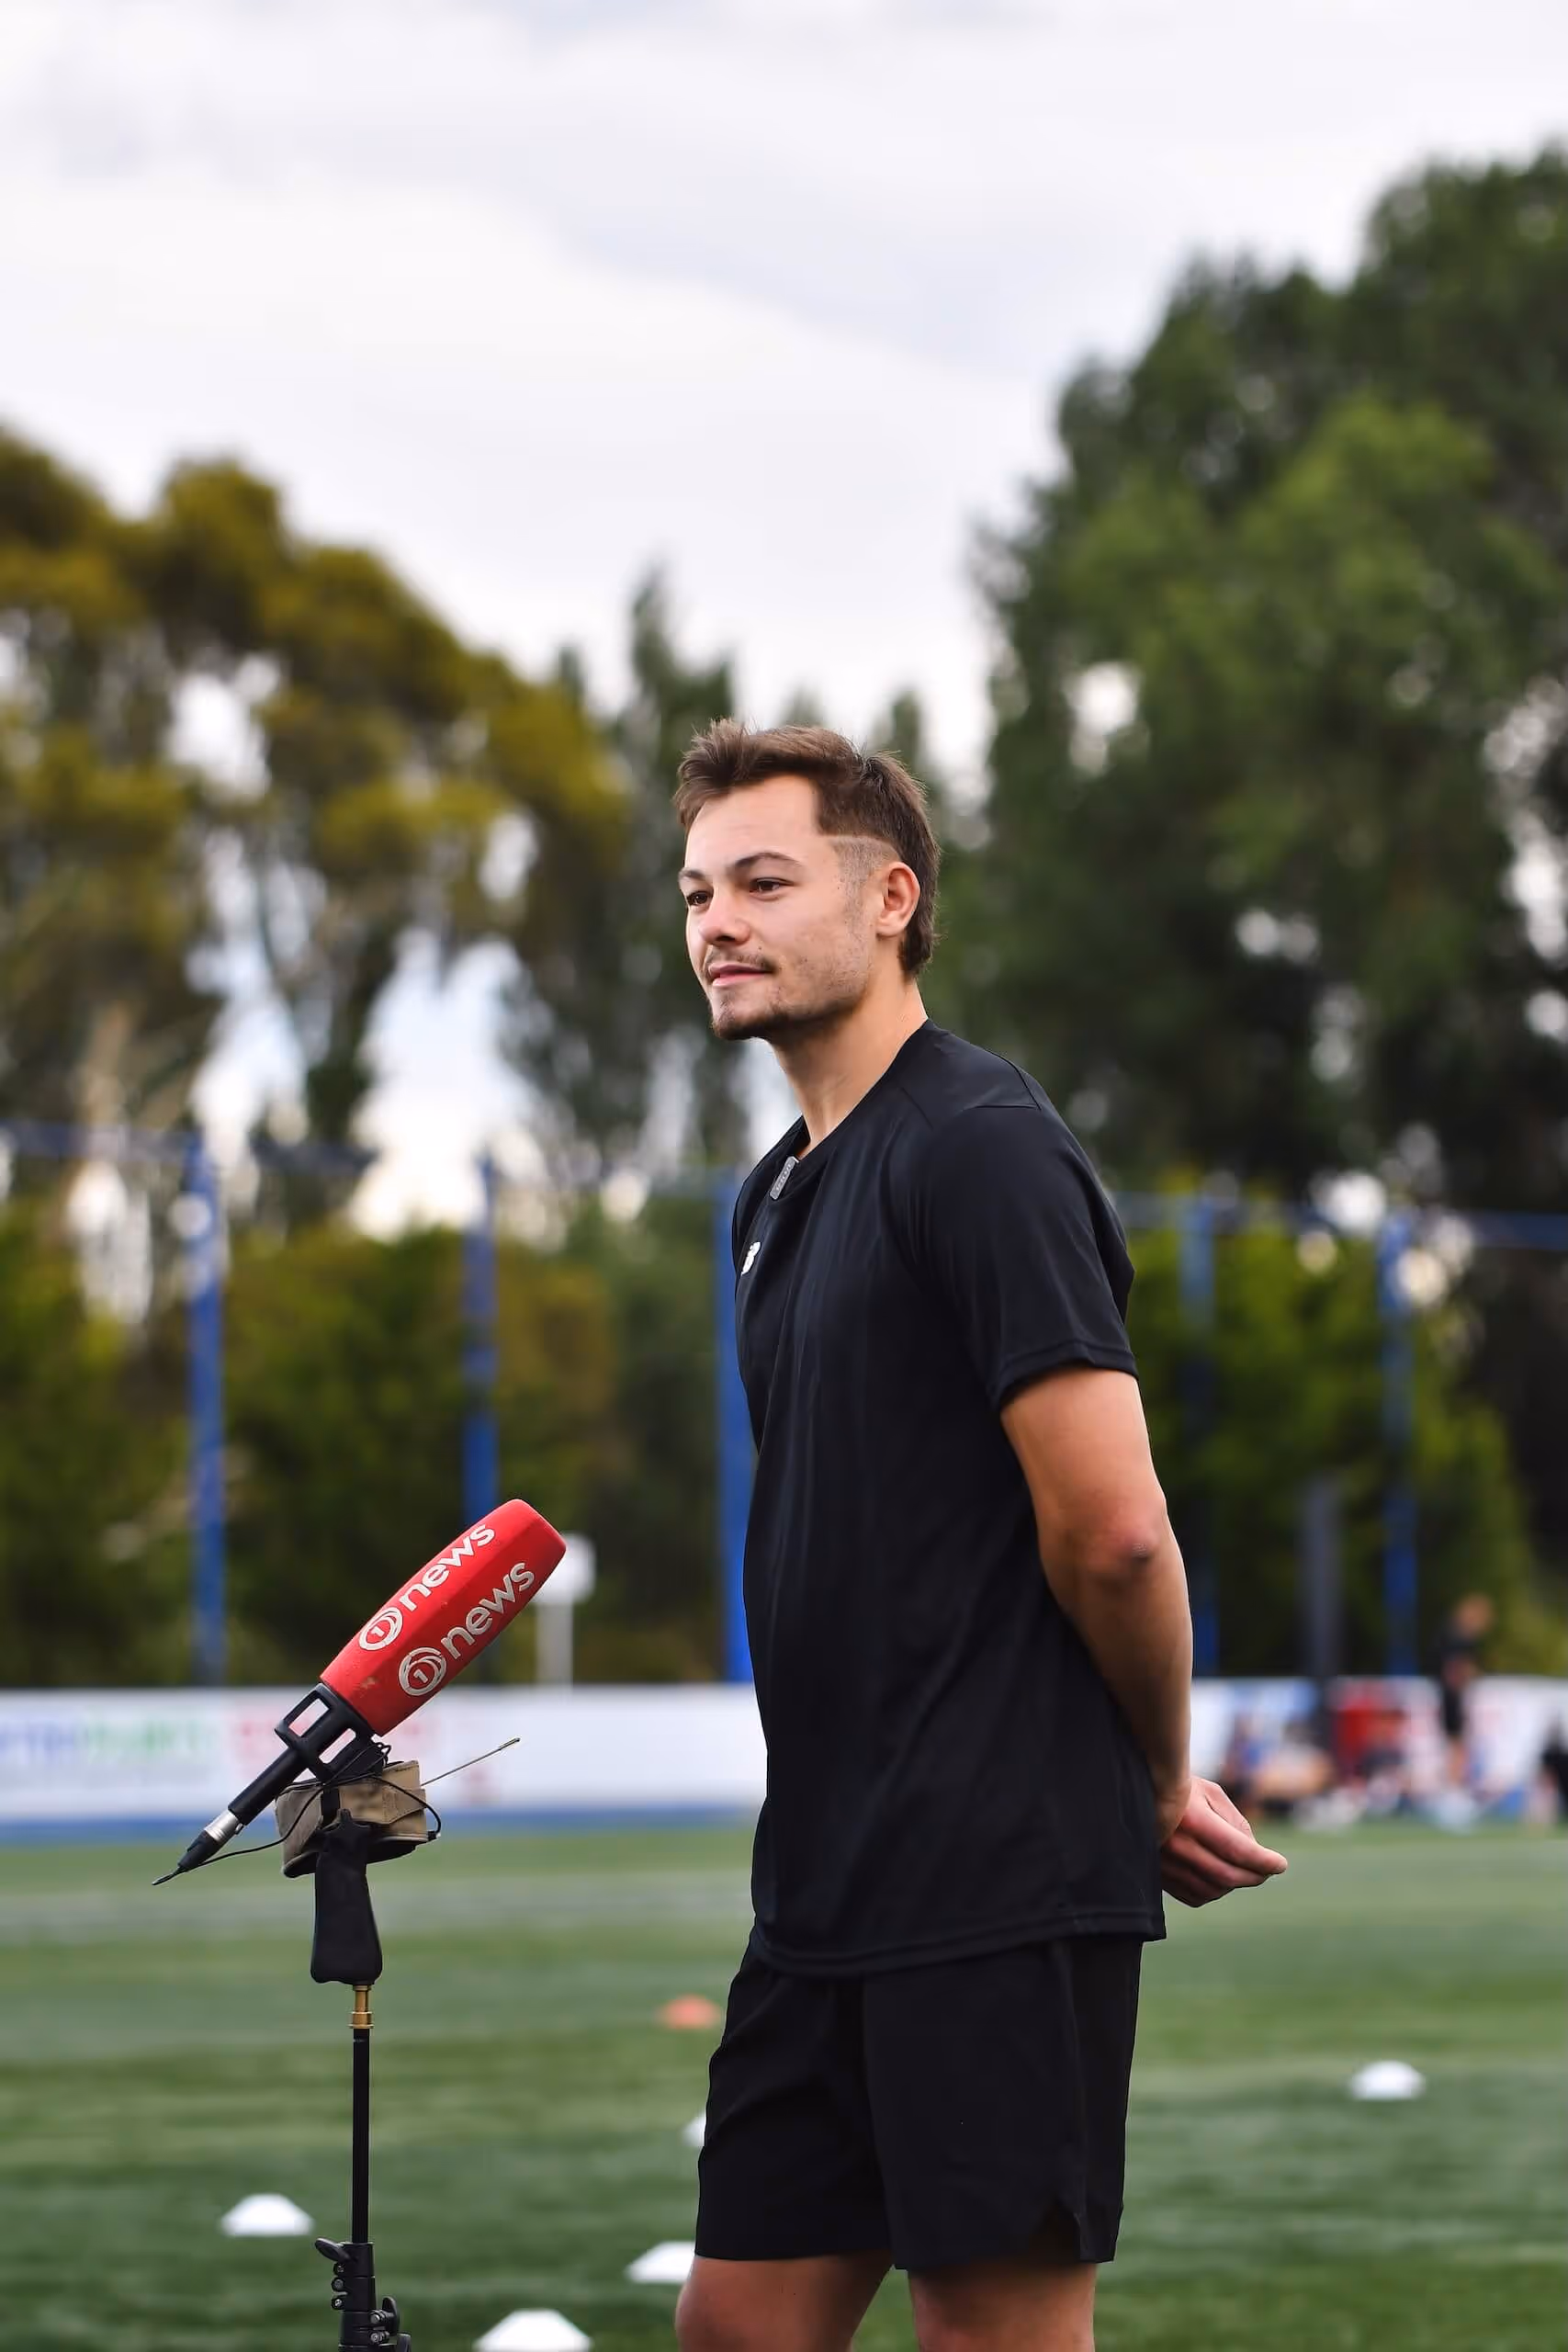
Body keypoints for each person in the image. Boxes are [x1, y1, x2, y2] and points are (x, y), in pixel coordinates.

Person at [670, 722, 1286, 2352]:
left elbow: (1116, 1535)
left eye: (763, 880)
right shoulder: (773, 1197)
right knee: (736, 2326)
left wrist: (1149, 1779)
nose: (717, 921)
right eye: (695, 892)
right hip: (819, 1874)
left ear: (890, 898)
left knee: (994, 2332)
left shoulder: (983, 1148)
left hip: (997, 1869)